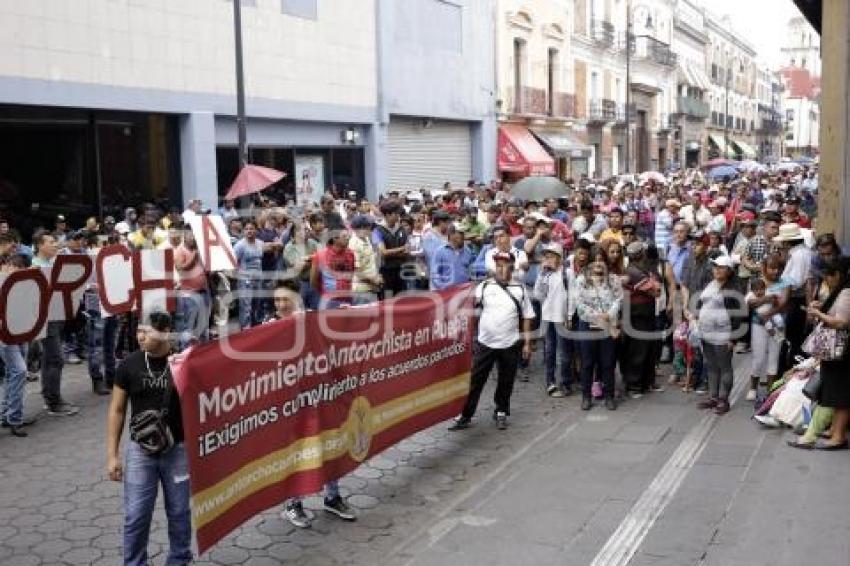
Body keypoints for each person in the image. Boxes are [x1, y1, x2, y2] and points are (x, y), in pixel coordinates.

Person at [266, 280, 358, 527]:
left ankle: (332, 497)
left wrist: (350, 315)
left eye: (286, 299)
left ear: (298, 299)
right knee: (296, 451)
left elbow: (341, 327)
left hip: (322, 396)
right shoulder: (267, 329)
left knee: (331, 443)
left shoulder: (315, 321)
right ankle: (293, 504)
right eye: (277, 300)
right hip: (292, 404)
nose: (281, 305)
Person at [106, 311, 191, 566]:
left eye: (146, 331)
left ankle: (179, 559)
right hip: (140, 451)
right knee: (136, 515)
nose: (139, 336)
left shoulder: (183, 363)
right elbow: (117, 409)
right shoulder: (129, 364)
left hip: (177, 450)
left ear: (165, 332)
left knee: (179, 512)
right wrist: (112, 455)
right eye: (138, 330)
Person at [448, 252, 534, 431]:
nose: (502, 269)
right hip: (485, 343)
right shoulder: (484, 287)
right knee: (475, 380)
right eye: (499, 265)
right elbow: (469, 309)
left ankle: (501, 411)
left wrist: (526, 343)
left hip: (509, 343)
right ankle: (465, 414)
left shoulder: (520, 289)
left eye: (506, 265)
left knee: (506, 380)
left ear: (512, 266)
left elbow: (527, 316)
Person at [789, 258, 850, 450]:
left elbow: (841, 322)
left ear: (838, 275)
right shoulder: (840, 292)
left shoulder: (847, 293)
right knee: (833, 392)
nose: (826, 281)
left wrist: (818, 314)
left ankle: (838, 436)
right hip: (835, 353)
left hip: (842, 352)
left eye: (828, 277)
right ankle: (834, 431)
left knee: (840, 395)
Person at [31, 231, 80, 416]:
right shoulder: (35, 267)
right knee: (56, 358)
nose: (55, 245)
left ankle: (49, 396)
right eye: (51, 242)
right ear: (40, 245)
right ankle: (54, 402)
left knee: (48, 358)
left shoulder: (52, 263)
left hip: (56, 315)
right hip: (47, 318)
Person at [693, 255, 746, 415]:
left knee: (724, 366)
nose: (717, 270)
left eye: (721, 267)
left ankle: (724, 399)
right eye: (715, 267)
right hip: (706, 331)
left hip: (724, 333)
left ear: (729, 271)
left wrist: (733, 338)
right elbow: (701, 302)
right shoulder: (711, 283)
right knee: (711, 365)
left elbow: (740, 315)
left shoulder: (734, 290)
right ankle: (713, 397)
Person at [575, 260, 622, 411]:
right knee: (587, 363)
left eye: (601, 259)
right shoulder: (581, 280)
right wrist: (598, 316)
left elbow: (618, 299)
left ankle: (609, 396)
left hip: (608, 324)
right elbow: (579, 303)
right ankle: (586, 397)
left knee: (608, 363)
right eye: (595, 259)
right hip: (588, 325)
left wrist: (609, 314)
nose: (598, 263)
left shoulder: (613, 279)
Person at [0, 254, 36, 436]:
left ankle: (8, 414)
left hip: (21, 331)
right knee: (19, 371)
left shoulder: (25, 282)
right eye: (14, 266)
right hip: (5, 334)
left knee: (11, 374)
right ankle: (14, 417)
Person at [621, 242, 662, 397]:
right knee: (638, 350)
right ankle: (634, 385)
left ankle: (646, 382)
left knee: (649, 349)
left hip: (647, 314)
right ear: (640, 254)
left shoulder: (643, 269)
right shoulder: (633, 271)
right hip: (637, 316)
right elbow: (655, 291)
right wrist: (654, 284)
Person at [746, 255, 790, 399]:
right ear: (764, 268)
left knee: (774, 358)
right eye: (771, 268)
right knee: (758, 358)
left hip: (778, 325)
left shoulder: (785, 282)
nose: (775, 271)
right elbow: (750, 303)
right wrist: (768, 299)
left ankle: (770, 392)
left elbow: (783, 303)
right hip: (758, 325)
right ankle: (753, 388)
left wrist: (768, 313)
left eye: (777, 268)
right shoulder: (757, 282)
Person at [533, 242, 572, 397]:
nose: (548, 260)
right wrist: (541, 276)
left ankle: (566, 382)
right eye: (546, 257)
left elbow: (572, 296)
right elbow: (538, 295)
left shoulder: (566, 273)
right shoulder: (545, 274)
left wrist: (569, 316)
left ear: (559, 258)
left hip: (561, 318)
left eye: (551, 257)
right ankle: (550, 382)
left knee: (564, 354)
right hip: (548, 318)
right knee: (549, 352)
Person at [775, 223, 815, 362]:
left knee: (793, 338)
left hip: (797, 301)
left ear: (786, 241)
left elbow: (795, 281)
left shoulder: (799, 255)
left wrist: (774, 289)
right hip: (796, 300)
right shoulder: (801, 252)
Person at [233, 220, 266, 329]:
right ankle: (245, 330)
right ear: (243, 231)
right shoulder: (239, 245)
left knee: (257, 305)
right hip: (245, 281)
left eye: (251, 229)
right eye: (246, 229)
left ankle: (256, 329)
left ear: (256, 230)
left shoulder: (260, 243)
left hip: (258, 279)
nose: (249, 231)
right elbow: (233, 262)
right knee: (246, 308)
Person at [372, 201, 409, 298]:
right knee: (387, 301)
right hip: (385, 271)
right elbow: (383, 252)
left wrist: (392, 253)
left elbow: (407, 252)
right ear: (387, 214)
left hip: (401, 271)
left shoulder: (401, 229)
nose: (398, 216)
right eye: (396, 213)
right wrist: (401, 249)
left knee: (401, 301)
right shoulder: (377, 230)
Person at [431, 226, 474, 290]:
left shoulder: (468, 251)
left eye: (463, 234)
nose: (463, 237)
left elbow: (472, 269)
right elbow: (435, 274)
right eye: (460, 234)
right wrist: (442, 288)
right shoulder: (440, 251)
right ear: (451, 236)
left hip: (465, 290)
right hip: (447, 291)